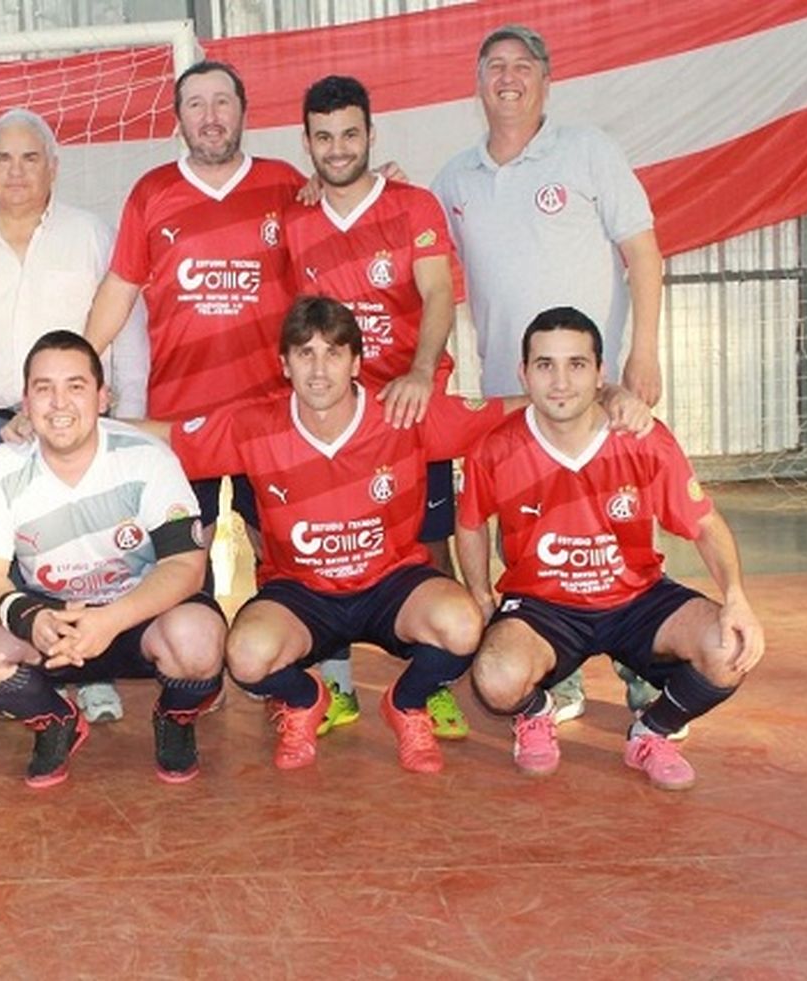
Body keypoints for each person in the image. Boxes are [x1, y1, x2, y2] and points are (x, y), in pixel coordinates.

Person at [162, 297, 519, 773]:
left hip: (391, 582)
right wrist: (77, 428)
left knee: (462, 624)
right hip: (302, 592)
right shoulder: (254, 425)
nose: (319, 369)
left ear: (355, 360)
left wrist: (598, 398)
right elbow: (165, 438)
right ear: (284, 364)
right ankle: (307, 699)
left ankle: (407, 705)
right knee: (246, 657)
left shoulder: (401, 414)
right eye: (305, 353)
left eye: (333, 353)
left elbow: (503, 412)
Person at [432, 25, 667, 723]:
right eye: (494, 66)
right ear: (478, 84)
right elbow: (411, 241)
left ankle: (642, 663)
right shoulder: (455, 178)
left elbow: (645, 254)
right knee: (528, 534)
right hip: (514, 393)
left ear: (546, 79)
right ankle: (554, 667)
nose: (508, 77)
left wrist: (642, 354)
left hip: (598, 389)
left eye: (522, 65)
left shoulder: (589, 152)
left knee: (623, 524)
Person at [457, 307, 764, 789]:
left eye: (576, 364)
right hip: (544, 607)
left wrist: (738, 598)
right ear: (524, 373)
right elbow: (471, 522)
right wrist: (479, 593)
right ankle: (537, 712)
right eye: (545, 365)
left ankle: (652, 732)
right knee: (494, 677)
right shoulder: (495, 449)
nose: (560, 381)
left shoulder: (644, 441)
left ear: (601, 373)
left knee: (731, 646)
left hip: (637, 599)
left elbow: (704, 523)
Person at [0, 107, 149, 723]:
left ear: (54, 167)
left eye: (30, 158)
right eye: (3, 158)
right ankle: (30, 675)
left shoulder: (92, 234)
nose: (17, 171)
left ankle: (92, 671)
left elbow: (127, 325)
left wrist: (128, 411)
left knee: (84, 550)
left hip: (80, 424)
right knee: (12, 558)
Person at [0, 331, 225, 786]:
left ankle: (175, 720)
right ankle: (55, 719)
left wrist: (111, 620)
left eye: (75, 386)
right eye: (44, 388)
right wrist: (28, 617)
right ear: (25, 401)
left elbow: (186, 566)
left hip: (136, 616)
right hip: (51, 622)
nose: (59, 403)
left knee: (199, 639)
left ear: (102, 397)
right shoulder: (2, 467)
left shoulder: (146, 457)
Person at [285, 74, 468, 739]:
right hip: (332, 422)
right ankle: (333, 686)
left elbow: (440, 291)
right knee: (324, 556)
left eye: (350, 134)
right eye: (324, 137)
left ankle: (432, 684)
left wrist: (421, 371)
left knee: (428, 544)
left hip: (407, 413)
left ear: (371, 135)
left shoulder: (413, 205)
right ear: (306, 141)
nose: (338, 149)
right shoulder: (296, 218)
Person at [83, 60, 303, 583]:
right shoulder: (152, 192)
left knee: (284, 556)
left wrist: (375, 185)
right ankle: (195, 664)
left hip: (270, 409)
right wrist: (81, 366)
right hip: (180, 416)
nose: (211, 116)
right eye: (196, 104)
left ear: (244, 112)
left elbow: (340, 229)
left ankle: (299, 662)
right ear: (177, 119)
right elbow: (120, 288)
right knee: (185, 564)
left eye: (222, 102)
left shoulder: (286, 184)